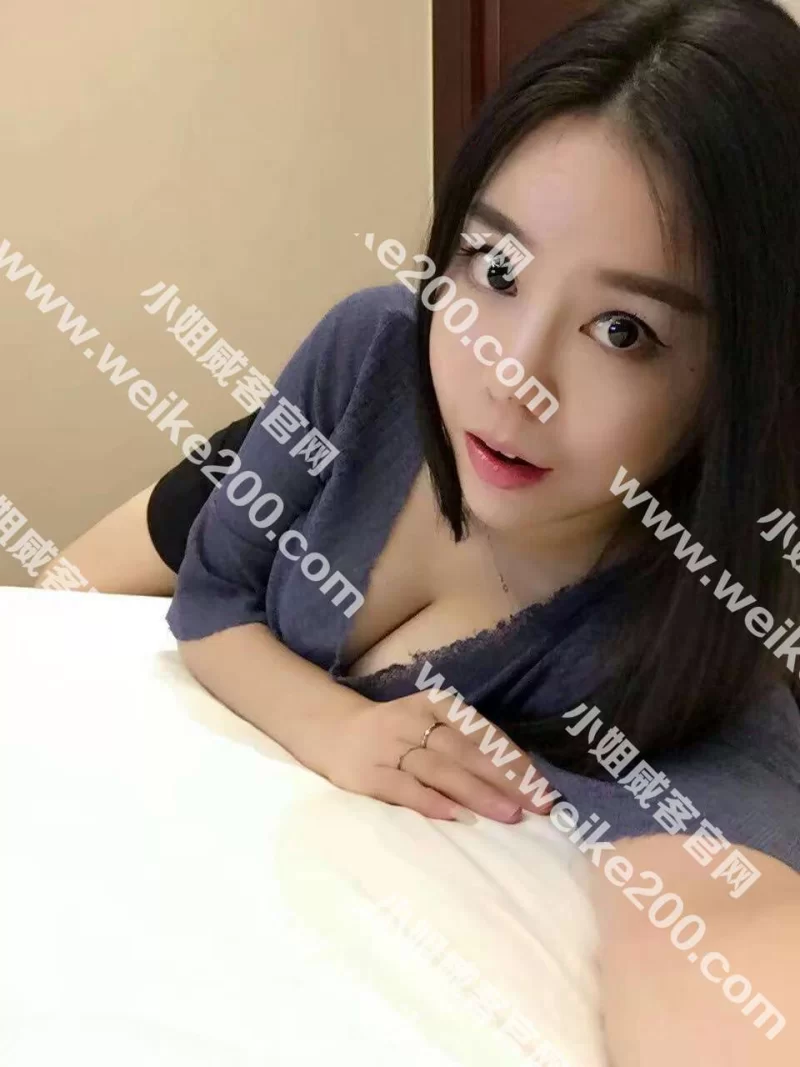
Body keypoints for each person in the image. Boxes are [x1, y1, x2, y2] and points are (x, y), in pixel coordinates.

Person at [42, 2, 800, 1060]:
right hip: (271, 468)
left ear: (744, 377)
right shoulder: (370, 344)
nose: (511, 374)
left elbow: (727, 944)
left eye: (622, 330)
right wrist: (335, 728)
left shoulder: (685, 651)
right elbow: (208, 593)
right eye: (496, 268)